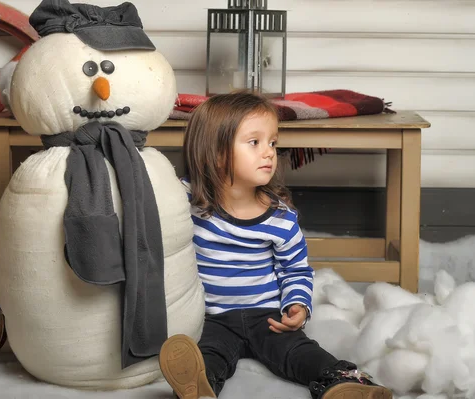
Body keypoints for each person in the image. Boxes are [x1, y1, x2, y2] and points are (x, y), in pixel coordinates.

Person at [158, 91, 392, 399]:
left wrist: (297, 304)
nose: (269, 152)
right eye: (254, 142)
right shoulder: (186, 200)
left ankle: (344, 382)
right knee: (208, 354)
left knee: (298, 351)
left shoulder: (280, 217)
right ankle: (198, 388)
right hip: (210, 316)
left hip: (266, 315)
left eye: (272, 142)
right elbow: (153, 199)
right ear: (215, 153)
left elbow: (295, 269)